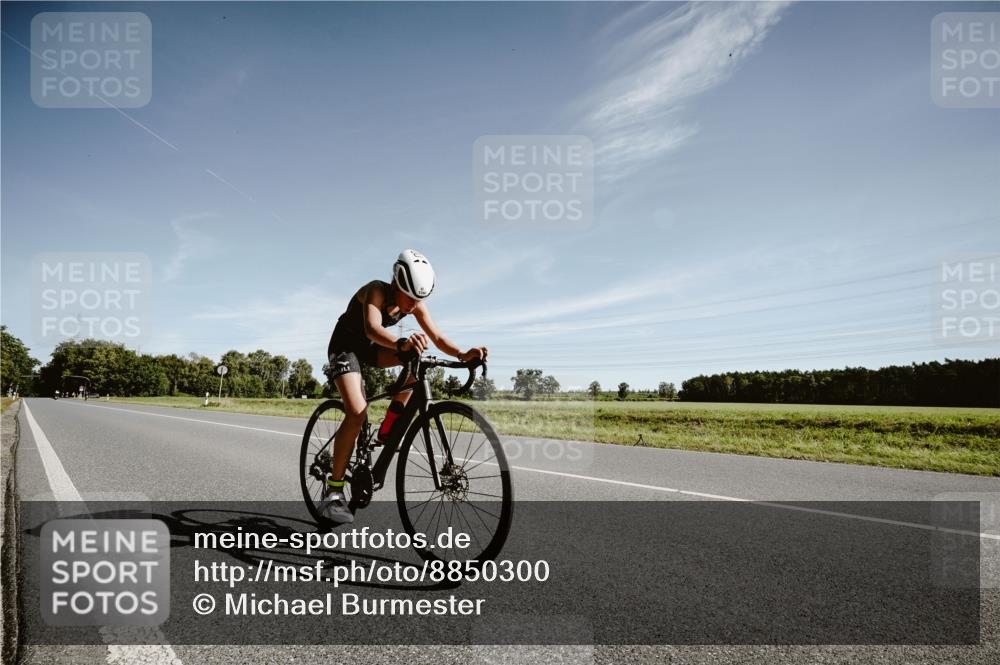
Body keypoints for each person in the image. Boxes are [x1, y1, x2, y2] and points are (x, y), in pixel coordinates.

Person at [320, 249, 488, 523]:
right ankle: (333, 494)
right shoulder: (375, 291)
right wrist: (401, 343)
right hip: (346, 347)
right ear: (397, 283)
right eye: (409, 297)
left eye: (419, 299)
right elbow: (372, 329)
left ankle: (388, 428)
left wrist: (461, 354)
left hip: (375, 349)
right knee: (357, 411)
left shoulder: (415, 303)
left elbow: (437, 336)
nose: (412, 305)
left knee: (417, 359)